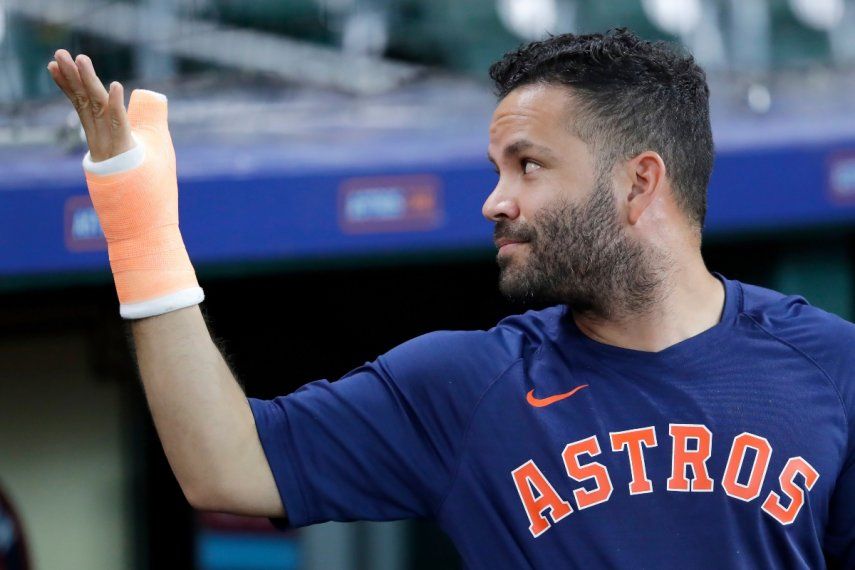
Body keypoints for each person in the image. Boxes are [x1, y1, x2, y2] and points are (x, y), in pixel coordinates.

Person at [46, 28, 854, 568]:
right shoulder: (469, 386)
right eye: (496, 169)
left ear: (639, 182)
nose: (495, 201)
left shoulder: (830, 366)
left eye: (528, 166)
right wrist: (141, 229)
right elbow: (225, 466)